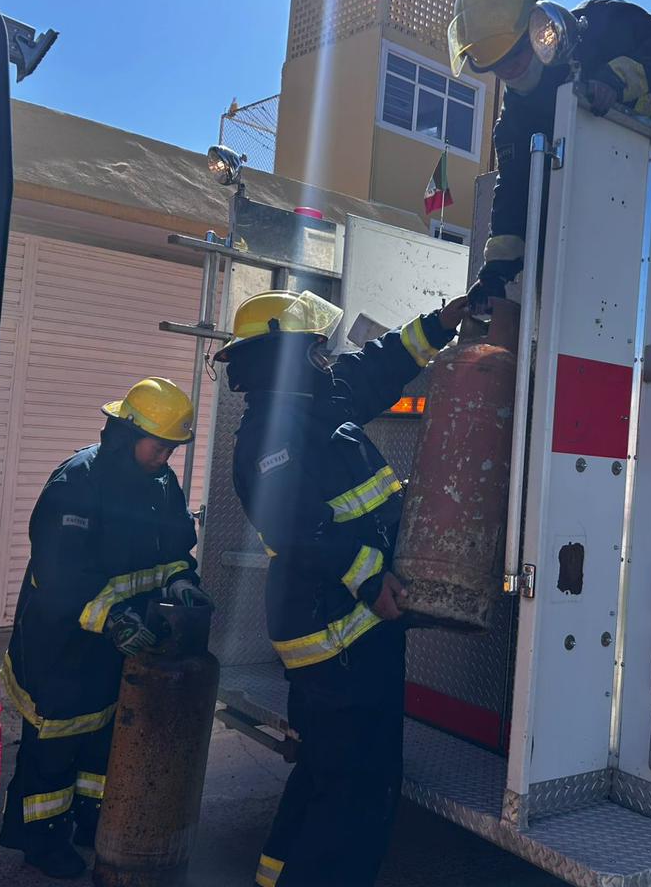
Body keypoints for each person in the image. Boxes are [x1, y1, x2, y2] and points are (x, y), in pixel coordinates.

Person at [217, 289, 467, 887]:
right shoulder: (267, 439)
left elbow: (379, 363)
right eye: (315, 347)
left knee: (324, 774)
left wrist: (442, 324)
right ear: (289, 353)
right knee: (360, 789)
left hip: (352, 629)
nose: (326, 356)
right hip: (336, 635)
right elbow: (297, 529)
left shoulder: (315, 399)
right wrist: (370, 580)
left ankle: (276, 876)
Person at [0, 377, 208, 879]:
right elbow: (59, 572)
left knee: (103, 736)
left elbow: (176, 546)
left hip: (118, 641)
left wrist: (181, 582)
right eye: (159, 446)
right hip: (63, 642)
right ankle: (40, 840)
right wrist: (112, 618)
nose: (166, 458)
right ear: (125, 432)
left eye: (173, 450)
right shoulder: (77, 482)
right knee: (56, 742)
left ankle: (92, 820)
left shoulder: (160, 483)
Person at [447, 0, 651, 309]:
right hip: (621, 190)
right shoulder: (516, 121)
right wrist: (494, 274)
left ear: (539, 25)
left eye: (516, 56)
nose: (509, 72)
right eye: (496, 66)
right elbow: (516, 194)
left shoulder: (599, 23)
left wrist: (614, 80)